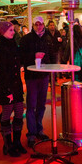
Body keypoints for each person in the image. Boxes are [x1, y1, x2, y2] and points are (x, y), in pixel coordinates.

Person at [0, 21, 26, 157]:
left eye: (13, 30)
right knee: (7, 112)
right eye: (11, 30)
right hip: (6, 85)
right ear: (2, 31)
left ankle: (17, 142)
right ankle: (8, 144)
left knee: (19, 111)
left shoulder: (13, 44)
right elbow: (2, 71)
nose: (13, 32)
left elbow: (19, 60)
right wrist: (8, 90)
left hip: (16, 83)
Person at [20, 16, 53, 148]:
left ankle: (39, 129)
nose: (39, 26)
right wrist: (34, 56)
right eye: (36, 24)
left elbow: (52, 54)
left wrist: (48, 64)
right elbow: (22, 56)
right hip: (32, 76)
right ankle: (31, 133)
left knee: (41, 104)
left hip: (44, 75)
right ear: (33, 25)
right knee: (31, 104)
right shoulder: (26, 39)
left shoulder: (48, 38)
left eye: (40, 24)